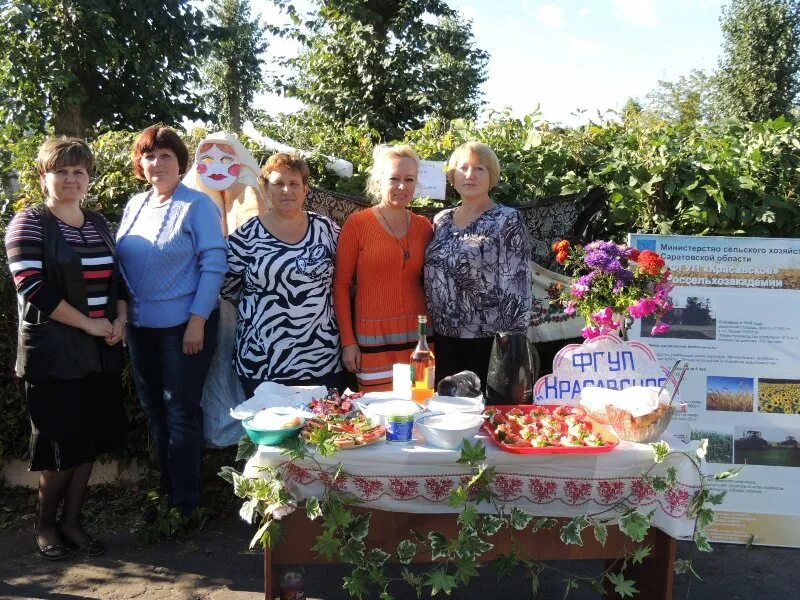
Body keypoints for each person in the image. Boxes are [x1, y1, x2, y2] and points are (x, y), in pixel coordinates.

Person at [5, 137, 127, 559]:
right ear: (44, 177)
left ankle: (73, 523)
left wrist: (120, 320)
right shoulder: (28, 222)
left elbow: (119, 281)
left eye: (79, 171)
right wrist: (91, 326)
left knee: (89, 443)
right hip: (53, 354)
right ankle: (44, 527)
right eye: (62, 171)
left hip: (101, 352)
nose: (71, 178)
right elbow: (32, 287)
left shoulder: (98, 223)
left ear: (89, 177)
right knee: (59, 447)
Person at [116, 126, 226, 516]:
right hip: (140, 329)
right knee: (154, 410)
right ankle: (167, 490)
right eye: (149, 155)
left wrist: (197, 320)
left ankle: (186, 502)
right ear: (139, 163)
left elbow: (215, 265)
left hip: (185, 327)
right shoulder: (134, 205)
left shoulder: (197, 206)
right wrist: (125, 313)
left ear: (181, 163)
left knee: (180, 409)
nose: (157, 163)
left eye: (166, 156)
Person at [222, 153, 344, 397]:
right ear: (266, 188)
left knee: (324, 433)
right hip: (262, 360)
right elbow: (226, 288)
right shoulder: (245, 237)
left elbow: (344, 280)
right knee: (271, 434)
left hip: (321, 357)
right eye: (278, 183)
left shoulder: (328, 230)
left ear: (305, 189)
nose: (287, 190)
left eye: (294, 183)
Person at [424, 141, 532, 389]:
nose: (469, 175)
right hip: (442, 340)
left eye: (479, 168)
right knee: (446, 412)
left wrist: (510, 342)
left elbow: (517, 283)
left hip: (489, 342)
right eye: (463, 168)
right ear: (452, 175)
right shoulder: (442, 221)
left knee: (484, 417)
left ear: (491, 175)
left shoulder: (506, 219)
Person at [183, 132, 268, 447]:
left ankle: (245, 432)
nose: (216, 165)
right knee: (216, 365)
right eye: (209, 157)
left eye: (225, 157)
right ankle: (220, 429)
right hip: (205, 299)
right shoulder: (193, 192)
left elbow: (254, 241)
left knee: (239, 363)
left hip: (244, 300)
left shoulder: (250, 191)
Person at [333, 145, 434, 392]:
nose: (402, 186)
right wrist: (348, 342)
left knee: (420, 403)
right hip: (372, 337)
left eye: (409, 179)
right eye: (394, 179)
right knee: (378, 416)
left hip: (419, 337)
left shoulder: (425, 227)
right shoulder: (357, 224)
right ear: (379, 180)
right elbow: (341, 286)